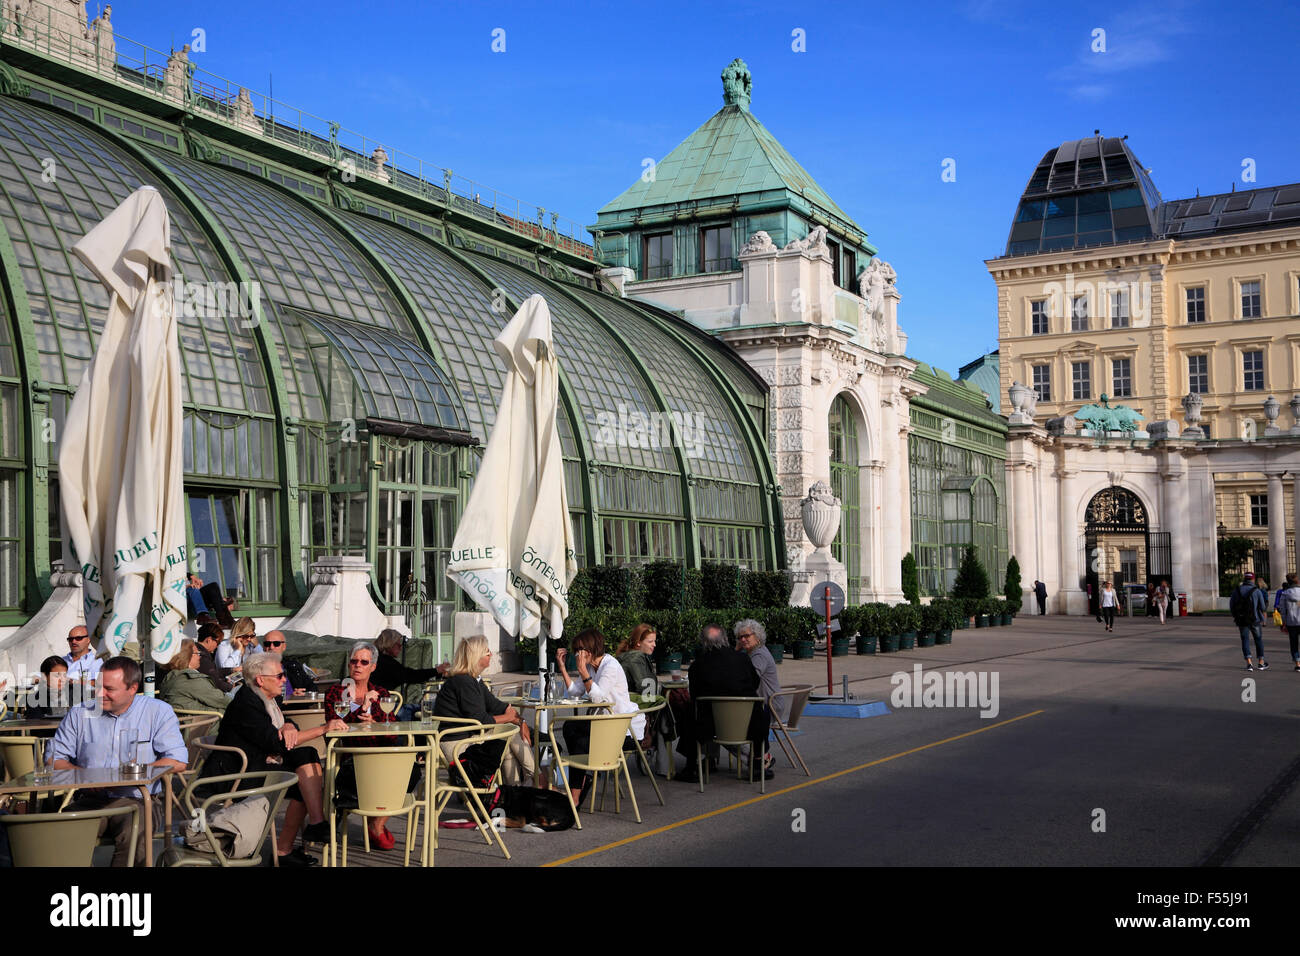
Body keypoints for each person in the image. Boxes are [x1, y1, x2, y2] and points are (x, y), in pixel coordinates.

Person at [203, 652, 343, 866]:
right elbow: (278, 743)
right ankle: (301, 835)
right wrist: (323, 729)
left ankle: (300, 836)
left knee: (306, 763)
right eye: (279, 676)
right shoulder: (246, 704)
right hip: (236, 773)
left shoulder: (270, 699)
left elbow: (286, 727)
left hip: (258, 762)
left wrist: (289, 725)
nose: (285, 680)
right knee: (302, 771)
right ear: (260, 680)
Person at [47, 656, 188, 866]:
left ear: (132, 689)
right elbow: (52, 759)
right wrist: (87, 777)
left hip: (139, 798)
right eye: (98, 686)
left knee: (136, 834)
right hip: (90, 800)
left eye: (109, 689)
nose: (100, 694)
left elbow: (177, 761)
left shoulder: (157, 711)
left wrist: (133, 772)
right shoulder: (79, 713)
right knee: (58, 834)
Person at [323, 642, 415, 851]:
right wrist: (361, 709)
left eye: (364, 662)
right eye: (354, 661)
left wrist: (376, 723)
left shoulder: (381, 693)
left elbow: (392, 737)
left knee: (413, 770)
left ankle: (376, 823)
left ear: (372, 667)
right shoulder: (336, 693)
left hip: (380, 759)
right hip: (349, 760)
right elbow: (333, 728)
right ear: (348, 665)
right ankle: (373, 819)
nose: (358, 666)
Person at [433, 635, 530, 794]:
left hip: (468, 738)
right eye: (487, 652)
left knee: (508, 738)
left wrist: (521, 720)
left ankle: (515, 793)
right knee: (508, 733)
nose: (491, 654)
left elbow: (497, 706)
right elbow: (482, 720)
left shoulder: (473, 681)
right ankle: (532, 782)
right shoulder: (463, 682)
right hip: (457, 745)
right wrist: (513, 719)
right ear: (476, 656)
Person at [555, 628, 645, 793]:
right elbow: (575, 691)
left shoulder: (610, 666)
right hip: (604, 725)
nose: (577, 655)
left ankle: (575, 792)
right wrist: (562, 668)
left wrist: (582, 670)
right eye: (575, 651)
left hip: (624, 731)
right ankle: (581, 781)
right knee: (570, 727)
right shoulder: (591, 667)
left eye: (579, 650)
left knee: (582, 743)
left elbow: (598, 698)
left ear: (590, 650)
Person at [676, 624, 768, 782]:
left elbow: (695, 695)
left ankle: (691, 766)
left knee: (690, 710)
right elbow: (755, 683)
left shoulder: (698, 666)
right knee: (760, 708)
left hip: (712, 726)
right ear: (725, 639)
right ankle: (757, 764)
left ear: (703, 643)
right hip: (747, 723)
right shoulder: (743, 659)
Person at [373, 627, 449, 719]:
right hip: (381, 705)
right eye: (398, 644)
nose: (401, 647)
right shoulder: (386, 662)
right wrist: (436, 670)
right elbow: (410, 675)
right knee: (427, 708)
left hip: (380, 703)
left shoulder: (379, 659)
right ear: (390, 644)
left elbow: (408, 675)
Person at [734, 618, 788, 725]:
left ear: (757, 636)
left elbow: (749, 679)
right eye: (740, 637)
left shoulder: (759, 655)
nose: (743, 640)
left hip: (769, 707)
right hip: (763, 704)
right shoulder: (752, 652)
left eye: (746, 636)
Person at [158, 638, 229, 716]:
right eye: (197, 653)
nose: (200, 657)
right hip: (204, 724)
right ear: (187, 656)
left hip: (184, 721)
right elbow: (222, 700)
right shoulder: (190, 679)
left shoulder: (170, 676)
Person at [1229, 572, 1269, 671]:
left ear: (1244, 579)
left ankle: (1249, 663)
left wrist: (1236, 616)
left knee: (1245, 640)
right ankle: (1261, 662)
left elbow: (1231, 606)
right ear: (1253, 579)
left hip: (1241, 619)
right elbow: (1263, 607)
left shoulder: (1236, 590)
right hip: (1255, 619)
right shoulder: (1257, 591)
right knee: (1258, 640)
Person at [258, 631, 315, 698]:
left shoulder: (293, 666)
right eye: (267, 644)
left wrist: (302, 693)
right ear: (263, 647)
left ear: (284, 646)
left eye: (276, 644)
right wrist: (290, 697)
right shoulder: (257, 669)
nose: (271, 647)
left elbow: (312, 688)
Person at [615, 624, 658, 699]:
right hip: (633, 705)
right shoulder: (635, 658)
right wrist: (655, 701)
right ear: (638, 642)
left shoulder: (634, 655)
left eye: (654, 641)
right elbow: (643, 687)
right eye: (650, 641)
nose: (654, 645)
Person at [194, 623, 234, 693]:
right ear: (209, 640)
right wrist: (230, 686)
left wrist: (231, 670)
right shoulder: (202, 657)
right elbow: (216, 684)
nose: (217, 646)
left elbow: (213, 672)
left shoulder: (196, 651)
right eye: (218, 642)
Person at [1278, 572, 1300, 673]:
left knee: (1294, 643)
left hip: (1291, 622)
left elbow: (1282, 610)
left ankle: (1297, 663)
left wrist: (1283, 623)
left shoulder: (1285, 594)